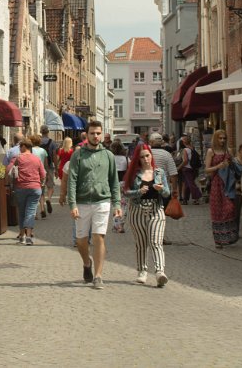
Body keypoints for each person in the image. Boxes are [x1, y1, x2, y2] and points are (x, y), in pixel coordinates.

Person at [67, 120, 121, 289]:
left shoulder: (108, 155)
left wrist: (117, 204)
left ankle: (98, 275)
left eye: (98, 133)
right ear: (87, 135)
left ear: (102, 134)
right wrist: (72, 204)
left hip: (102, 201)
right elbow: (72, 180)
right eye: (92, 133)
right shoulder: (78, 155)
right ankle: (86, 262)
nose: (96, 136)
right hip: (82, 202)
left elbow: (114, 181)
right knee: (81, 241)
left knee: (99, 237)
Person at [124, 144, 171, 287]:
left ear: (151, 155)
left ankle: (159, 272)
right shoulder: (133, 174)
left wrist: (161, 189)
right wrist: (138, 191)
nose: (145, 159)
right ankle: (142, 271)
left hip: (156, 210)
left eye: (147, 155)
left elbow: (167, 193)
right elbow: (126, 192)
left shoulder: (159, 172)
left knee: (156, 242)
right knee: (141, 243)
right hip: (137, 211)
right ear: (137, 159)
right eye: (142, 157)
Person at [6, 139, 46, 245]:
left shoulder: (17, 158)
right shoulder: (37, 159)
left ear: (24, 146)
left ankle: (22, 236)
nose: (19, 148)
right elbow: (43, 174)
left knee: (22, 212)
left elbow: (8, 170)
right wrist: (40, 182)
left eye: (20, 146)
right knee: (31, 212)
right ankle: (28, 237)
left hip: (21, 188)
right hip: (35, 188)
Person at [204, 129, 239, 248]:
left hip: (228, 183)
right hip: (216, 184)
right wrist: (218, 166)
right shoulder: (211, 151)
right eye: (220, 138)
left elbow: (233, 166)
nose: (222, 140)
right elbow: (207, 169)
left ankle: (229, 236)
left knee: (230, 208)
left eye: (224, 138)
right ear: (216, 139)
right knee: (218, 211)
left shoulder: (228, 151)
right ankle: (218, 240)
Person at [177, 134, 202, 204]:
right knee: (187, 184)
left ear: (184, 142)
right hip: (193, 168)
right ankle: (185, 199)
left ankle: (197, 197)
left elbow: (185, 161)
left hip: (187, 169)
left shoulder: (185, 150)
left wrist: (179, 167)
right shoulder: (192, 148)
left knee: (191, 184)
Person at [31, 137, 52, 218]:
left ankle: (35, 213)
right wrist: (47, 174)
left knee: (34, 193)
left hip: (33, 173)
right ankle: (42, 209)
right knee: (41, 193)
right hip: (42, 173)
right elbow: (46, 164)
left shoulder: (31, 151)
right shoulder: (43, 151)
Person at [39, 125, 58, 214]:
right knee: (50, 187)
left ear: (41, 132)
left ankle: (42, 208)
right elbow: (54, 156)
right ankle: (49, 199)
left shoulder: (37, 142)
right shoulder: (52, 142)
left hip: (39, 168)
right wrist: (56, 168)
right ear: (48, 132)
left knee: (41, 189)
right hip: (49, 167)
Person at [113, 142, 129, 233]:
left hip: (113, 184)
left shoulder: (110, 158)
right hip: (123, 182)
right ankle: (121, 225)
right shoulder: (126, 158)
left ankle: (116, 225)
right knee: (124, 204)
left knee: (115, 204)